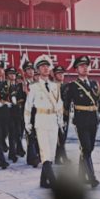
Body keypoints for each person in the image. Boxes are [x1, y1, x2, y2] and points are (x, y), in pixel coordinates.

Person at [23, 55, 63, 188]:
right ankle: (53, 181)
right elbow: (28, 106)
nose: (45, 68)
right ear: (38, 70)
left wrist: (60, 120)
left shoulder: (55, 86)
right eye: (42, 66)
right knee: (45, 152)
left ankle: (43, 181)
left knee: (51, 153)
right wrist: (27, 122)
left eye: (47, 66)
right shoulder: (34, 87)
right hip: (41, 120)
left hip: (53, 120)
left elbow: (59, 104)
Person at [63, 56, 100, 188]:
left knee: (89, 149)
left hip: (93, 119)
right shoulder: (72, 86)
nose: (85, 68)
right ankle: (91, 177)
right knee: (86, 147)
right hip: (81, 120)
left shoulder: (95, 84)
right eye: (81, 66)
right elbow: (66, 105)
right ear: (76, 69)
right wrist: (64, 120)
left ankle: (80, 176)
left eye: (86, 66)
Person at [53, 65, 69, 165]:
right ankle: (60, 157)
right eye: (59, 74)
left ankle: (59, 157)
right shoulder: (51, 86)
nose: (61, 75)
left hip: (65, 114)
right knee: (59, 137)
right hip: (54, 115)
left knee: (63, 136)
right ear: (54, 75)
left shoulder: (67, 86)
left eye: (62, 73)